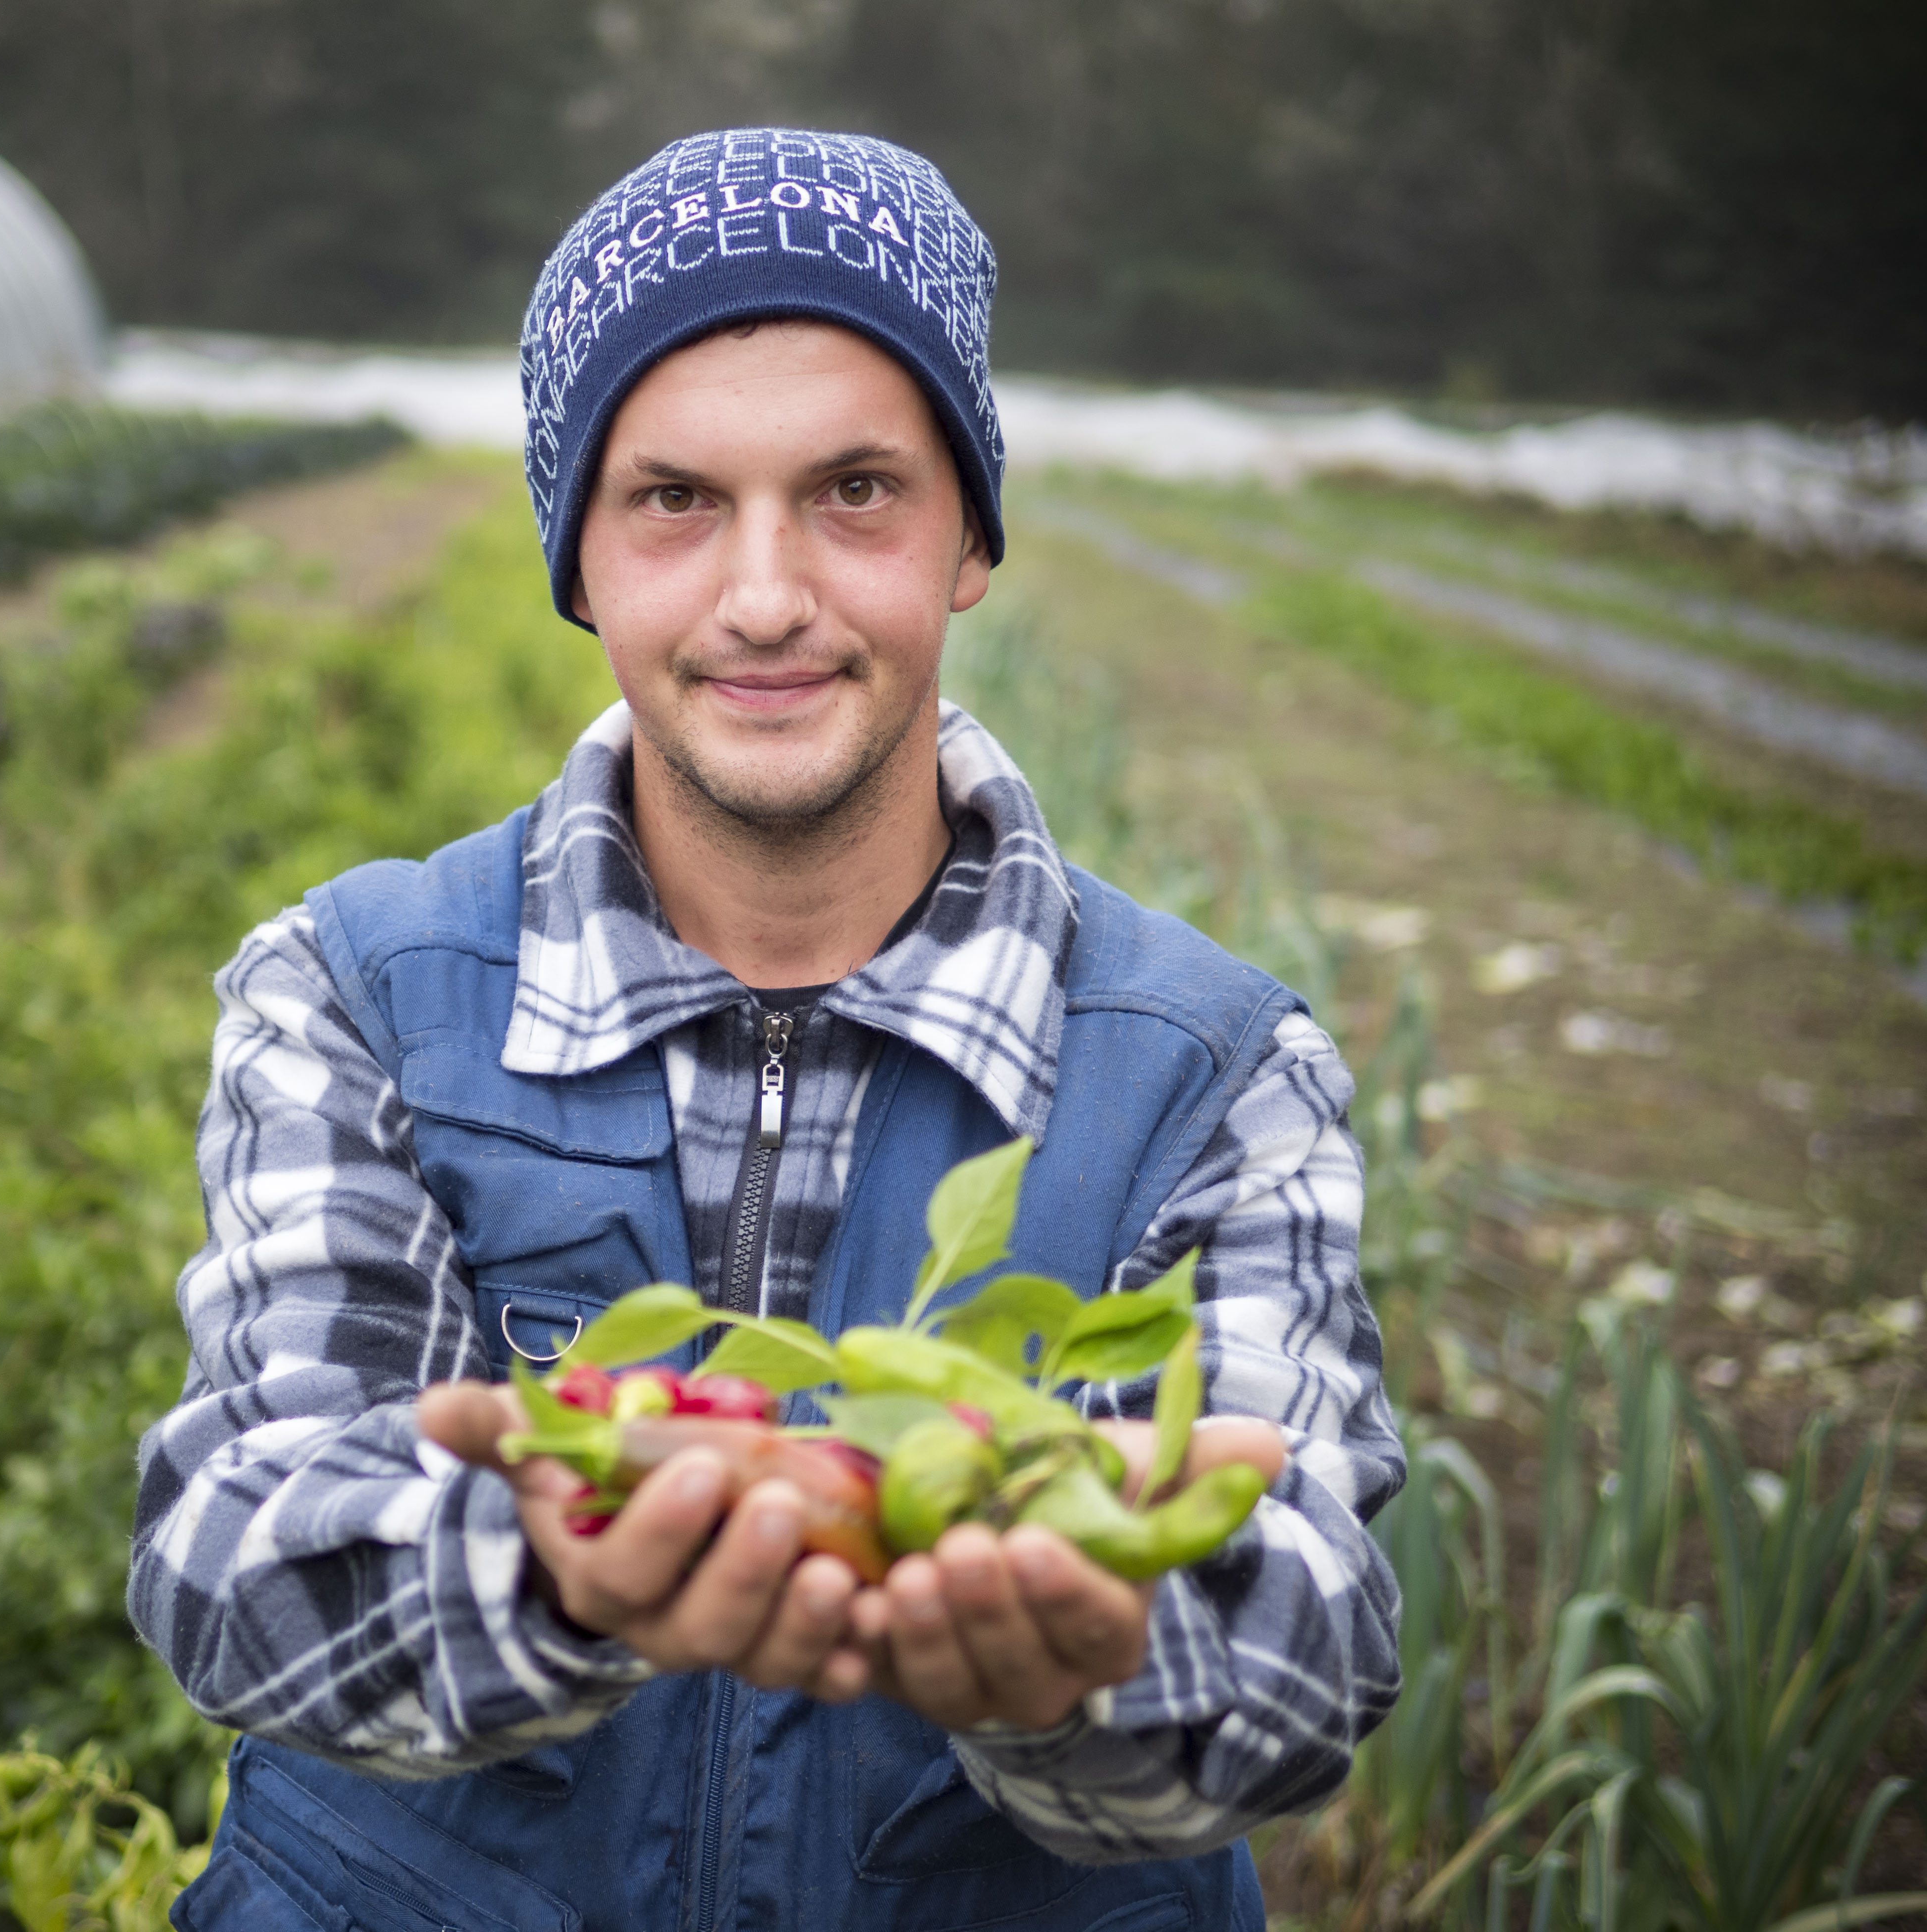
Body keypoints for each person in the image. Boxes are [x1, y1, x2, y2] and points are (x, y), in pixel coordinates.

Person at [130, 127, 1404, 1932]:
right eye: (675, 499)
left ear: (970, 537)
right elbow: (237, 1555)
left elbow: (1306, 1648)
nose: (764, 597)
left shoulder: (1213, 1076)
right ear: (580, 559)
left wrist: (1085, 1660)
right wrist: (552, 1569)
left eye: (856, 490)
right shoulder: (359, 993)